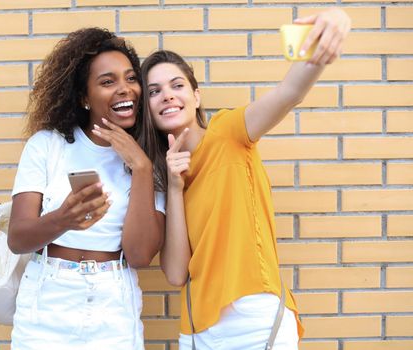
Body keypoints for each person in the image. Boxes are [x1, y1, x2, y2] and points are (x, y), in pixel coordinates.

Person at [136, 8, 351, 350]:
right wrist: (175, 188)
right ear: (147, 107)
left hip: (255, 321)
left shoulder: (229, 132)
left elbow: (289, 93)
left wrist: (332, 26)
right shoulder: (163, 176)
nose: (167, 96)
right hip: (198, 331)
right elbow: (176, 275)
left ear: (196, 95)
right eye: (154, 91)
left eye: (177, 85)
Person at [8, 27, 165, 349]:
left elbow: (140, 255)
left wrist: (142, 169)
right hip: (47, 300)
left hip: (113, 303)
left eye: (131, 78)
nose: (125, 89)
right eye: (108, 82)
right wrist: (62, 219)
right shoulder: (47, 146)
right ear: (83, 97)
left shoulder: (151, 157)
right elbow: (18, 238)